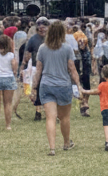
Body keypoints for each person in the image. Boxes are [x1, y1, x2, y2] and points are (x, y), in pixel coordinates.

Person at [31, 20, 81, 155]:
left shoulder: (42, 48)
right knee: (64, 117)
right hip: (63, 85)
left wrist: (33, 88)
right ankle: (66, 143)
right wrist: (78, 86)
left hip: (46, 85)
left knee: (50, 117)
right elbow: (72, 69)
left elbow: (38, 71)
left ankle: (52, 148)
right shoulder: (67, 48)